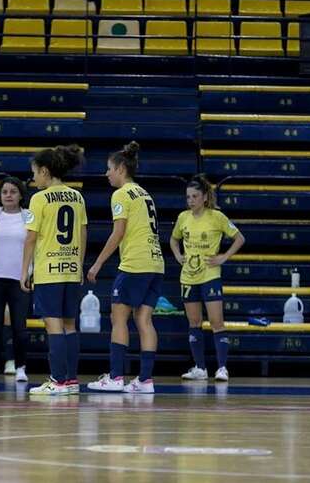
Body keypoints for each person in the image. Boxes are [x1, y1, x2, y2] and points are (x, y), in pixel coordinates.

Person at [86, 142, 163, 394]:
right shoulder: (144, 193)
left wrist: (97, 263)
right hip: (155, 263)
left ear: (120, 168)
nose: (106, 173)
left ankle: (116, 377)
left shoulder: (120, 194)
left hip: (135, 263)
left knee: (118, 318)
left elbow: (118, 232)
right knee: (144, 320)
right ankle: (145, 381)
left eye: (109, 169)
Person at [21, 145, 87, 396]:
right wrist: (78, 265)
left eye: (35, 173)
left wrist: (25, 270)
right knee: (70, 324)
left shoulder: (39, 198)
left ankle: (57, 380)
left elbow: (30, 238)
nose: (34, 178)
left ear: (45, 171)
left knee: (53, 326)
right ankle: (70, 380)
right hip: (71, 268)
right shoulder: (77, 196)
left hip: (49, 270)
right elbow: (82, 233)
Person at [169, 175, 245, 383]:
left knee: (216, 322)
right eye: (188, 197)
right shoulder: (183, 217)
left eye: (194, 196)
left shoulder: (216, 217)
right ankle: (200, 368)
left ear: (204, 197)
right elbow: (173, 239)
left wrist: (223, 257)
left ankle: (221, 368)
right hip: (188, 277)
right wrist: (177, 255)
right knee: (194, 323)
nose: (190, 200)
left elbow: (239, 238)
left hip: (210, 276)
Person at [0, 176, 31, 384]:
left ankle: (21, 366)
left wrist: (32, 273)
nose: (8, 195)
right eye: (5, 192)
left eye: (13, 191)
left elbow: (35, 248)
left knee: (19, 328)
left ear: (21, 195)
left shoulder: (29, 216)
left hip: (20, 279)